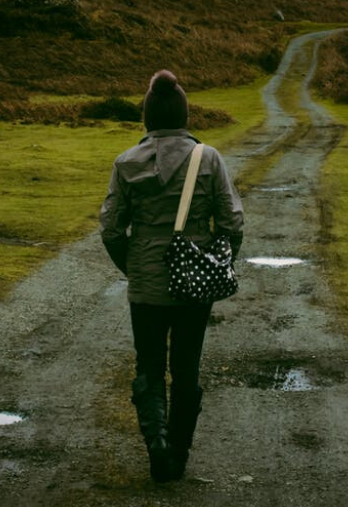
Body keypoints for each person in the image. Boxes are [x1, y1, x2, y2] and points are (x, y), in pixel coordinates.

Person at [99, 69, 244, 482]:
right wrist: (218, 262)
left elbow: (110, 228)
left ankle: (156, 443)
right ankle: (178, 451)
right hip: (194, 284)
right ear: (183, 114)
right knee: (186, 367)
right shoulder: (209, 158)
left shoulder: (125, 162)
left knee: (148, 365)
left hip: (145, 285)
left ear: (146, 117)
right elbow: (232, 222)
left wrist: (135, 267)